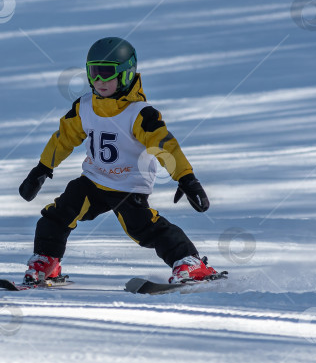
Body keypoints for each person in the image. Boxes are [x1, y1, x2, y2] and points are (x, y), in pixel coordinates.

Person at [18, 37, 220, 285]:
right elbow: (64, 138)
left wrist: (186, 178)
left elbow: (165, 146)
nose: (99, 80)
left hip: (128, 186)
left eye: (106, 72)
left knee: (143, 228)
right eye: (93, 72)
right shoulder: (85, 106)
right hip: (93, 180)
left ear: (125, 74)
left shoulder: (139, 113)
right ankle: (47, 261)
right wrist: (42, 168)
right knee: (57, 215)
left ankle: (190, 262)